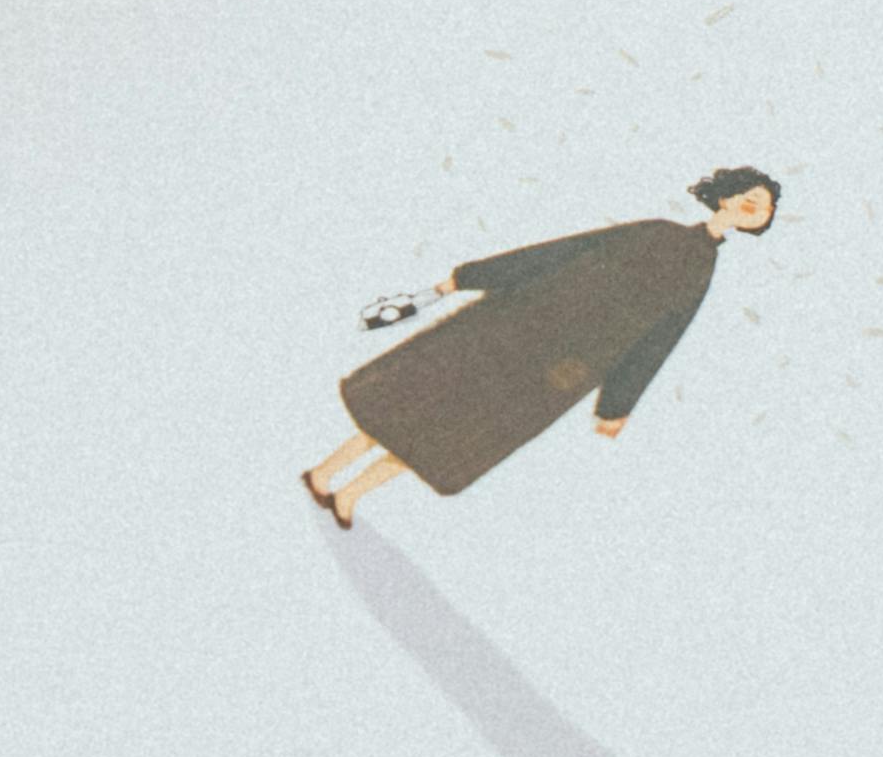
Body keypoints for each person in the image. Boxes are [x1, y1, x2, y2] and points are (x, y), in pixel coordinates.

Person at [302, 171, 781, 529]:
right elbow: (561, 252)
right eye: (750, 196)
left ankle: (353, 495)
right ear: (725, 195)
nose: (753, 206)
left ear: (757, 225)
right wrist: (470, 277)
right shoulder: (655, 231)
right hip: (511, 328)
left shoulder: (701, 273)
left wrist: (617, 405)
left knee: (452, 433)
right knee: (418, 397)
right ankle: (325, 473)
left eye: (762, 209)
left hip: (558, 373)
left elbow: (657, 342)